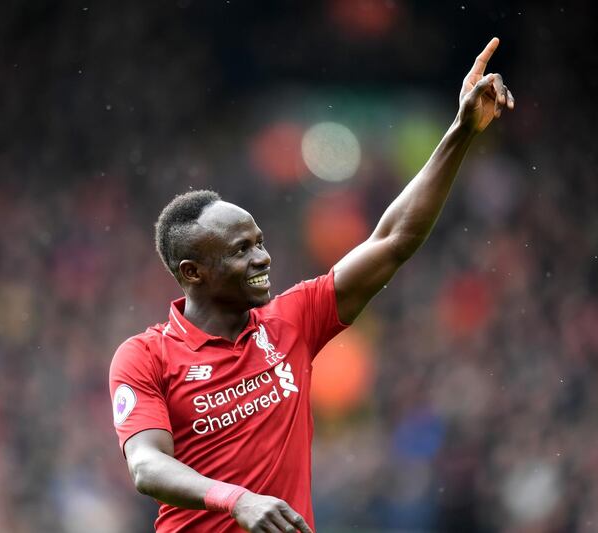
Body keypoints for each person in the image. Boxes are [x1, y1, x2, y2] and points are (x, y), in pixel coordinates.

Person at [109, 37, 514, 533]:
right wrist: (236, 500)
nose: (263, 256)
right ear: (193, 272)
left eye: (258, 241)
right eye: (240, 250)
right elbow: (146, 467)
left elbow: (392, 240)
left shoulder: (293, 320)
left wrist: (460, 132)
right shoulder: (145, 357)